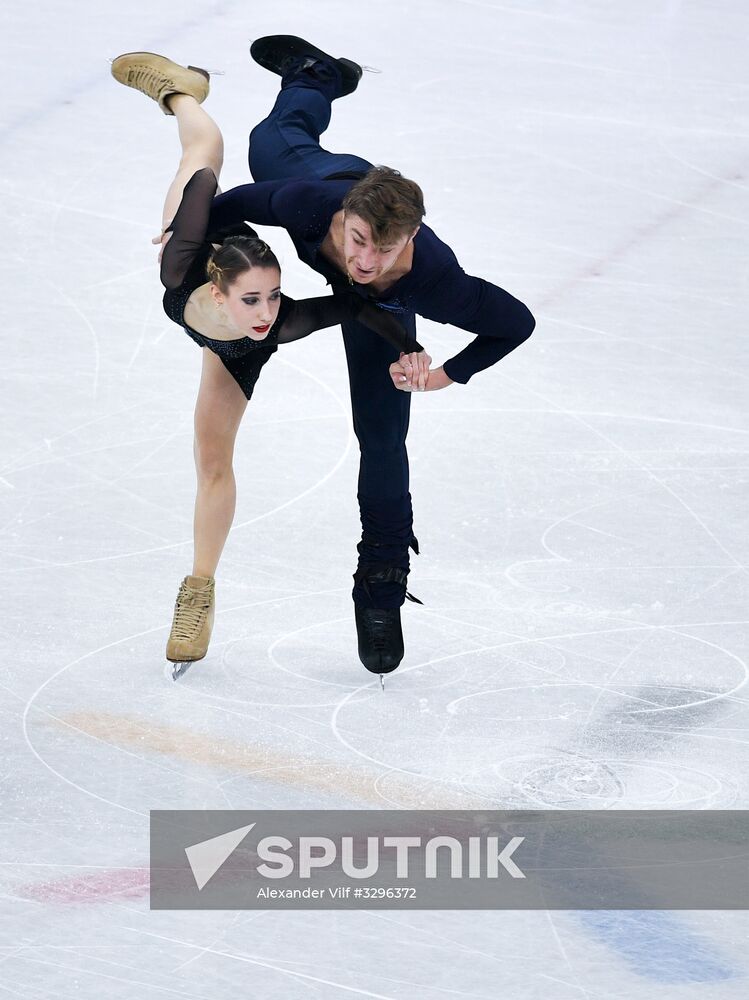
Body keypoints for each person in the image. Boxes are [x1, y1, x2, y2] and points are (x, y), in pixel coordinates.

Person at [197, 36, 536, 677]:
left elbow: (515, 323)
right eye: (357, 243)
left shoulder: (433, 278)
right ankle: (315, 77)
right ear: (346, 217)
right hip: (321, 172)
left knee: (382, 436)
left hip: (383, 318)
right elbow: (231, 207)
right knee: (270, 137)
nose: (365, 262)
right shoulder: (309, 201)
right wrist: (196, 249)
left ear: (410, 237)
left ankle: (381, 581)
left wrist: (441, 373)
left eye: (385, 251)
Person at [110, 52, 425, 678]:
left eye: (275, 296)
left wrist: (407, 344)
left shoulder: (272, 325)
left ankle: (195, 595)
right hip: (200, 261)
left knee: (214, 464)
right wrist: (185, 225)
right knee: (203, 152)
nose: (267, 313)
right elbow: (205, 188)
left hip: (236, 355)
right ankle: (182, 93)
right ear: (221, 292)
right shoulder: (183, 271)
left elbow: (352, 310)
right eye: (253, 300)